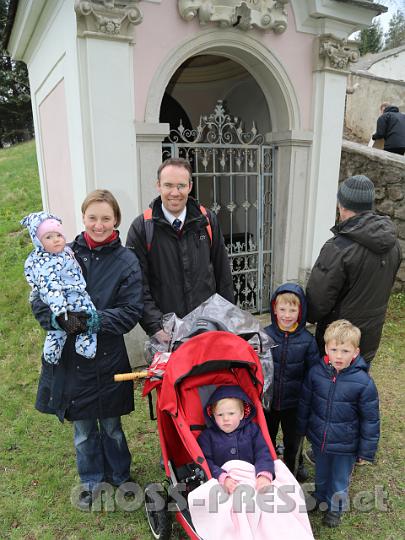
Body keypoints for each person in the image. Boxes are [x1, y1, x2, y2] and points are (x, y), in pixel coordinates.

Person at [29, 190, 143, 510]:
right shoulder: (62, 253)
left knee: (111, 426)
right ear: (83, 218)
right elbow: (40, 301)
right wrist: (58, 320)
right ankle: (91, 478)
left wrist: (91, 321)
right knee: (82, 429)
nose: (98, 224)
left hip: (107, 357)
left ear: (116, 220)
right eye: (92, 217)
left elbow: (131, 311)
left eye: (106, 218)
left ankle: (120, 475)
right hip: (72, 359)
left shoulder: (127, 261)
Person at [126, 157, 234, 344]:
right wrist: (156, 327)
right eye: (168, 185)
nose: (175, 193)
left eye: (181, 186)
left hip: (207, 328)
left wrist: (226, 319)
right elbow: (138, 285)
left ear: (190, 186)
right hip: (167, 335)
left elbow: (222, 273)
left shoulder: (207, 220)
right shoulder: (142, 227)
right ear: (158, 185)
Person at [306, 174, 401, 363]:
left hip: (338, 339)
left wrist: (305, 317)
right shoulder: (394, 244)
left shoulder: (339, 247)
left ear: (341, 204)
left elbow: (318, 301)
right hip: (370, 334)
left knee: (333, 387)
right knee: (357, 382)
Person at [297, 320, 380, 528]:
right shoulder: (316, 373)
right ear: (326, 348)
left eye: (345, 350)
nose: (339, 356)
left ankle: (335, 509)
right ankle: (319, 496)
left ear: (356, 352)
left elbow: (370, 419)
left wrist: (365, 450)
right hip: (320, 440)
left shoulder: (363, 382)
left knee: (339, 479)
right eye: (334, 349)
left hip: (346, 445)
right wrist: (302, 427)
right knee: (322, 473)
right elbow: (306, 402)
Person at [21, 211, 97, 364]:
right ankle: (53, 353)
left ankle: (82, 347)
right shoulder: (43, 262)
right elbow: (49, 285)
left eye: (59, 235)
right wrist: (60, 310)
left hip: (76, 294)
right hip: (61, 300)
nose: (56, 240)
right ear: (38, 241)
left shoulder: (67, 252)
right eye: (48, 237)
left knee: (87, 317)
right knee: (60, 328)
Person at [263, 283, 320, 482]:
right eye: (282, 309)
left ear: (300, 311)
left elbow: (313, 373)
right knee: (266, 440)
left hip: (295, 404)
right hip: (268, 403)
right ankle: (268, 472)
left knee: (293, 442)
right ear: (274, 310)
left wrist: (309, 398)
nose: (287, 315)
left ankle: (293, 472)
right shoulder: (265, 335)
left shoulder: (307, 340)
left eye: (293, 310)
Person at [197, 385, 275, 493]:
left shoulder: (252, 430)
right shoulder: (207, 437)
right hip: (224, 484)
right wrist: (221, 476)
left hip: (253, 477)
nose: (225, 419)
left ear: (242, 414)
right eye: (220, 414)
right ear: (213, 415)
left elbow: (262, 452)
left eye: (231, 413)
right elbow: (206, 463)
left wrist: (264, 473)